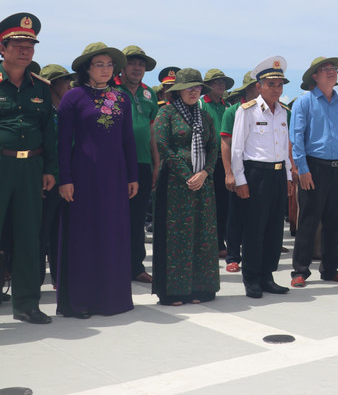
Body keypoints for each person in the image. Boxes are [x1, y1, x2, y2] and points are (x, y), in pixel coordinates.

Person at [57, 42, 138, 318]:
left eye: (109, 64)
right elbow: (63, 142)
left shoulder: (122, 98)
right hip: (83, 176)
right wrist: (65, 178)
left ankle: (112, 299)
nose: (105, 69)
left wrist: (132, 175)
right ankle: (81, 300)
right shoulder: (73, 97)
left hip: (115, 178)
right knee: (85, 236)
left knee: (113, 234)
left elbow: (128, 140)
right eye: (99, 64)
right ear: (86, 68)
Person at [0, 13, 58, 324]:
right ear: (2, 47)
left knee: (28, 235)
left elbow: (50, 131)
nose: (25, 50)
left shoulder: (42, 88)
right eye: (18, 45)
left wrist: (50, 169)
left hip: (32, 167)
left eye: (30, 45)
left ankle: (26, 303)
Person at [152, 69, 219, 306]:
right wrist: (186, 174)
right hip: (175, 183)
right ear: (178, 91)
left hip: (203, 182)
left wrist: (204, 173)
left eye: (197, 87)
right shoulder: (166, 113)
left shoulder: (204, 115)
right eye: (189, 87)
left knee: (202, 234)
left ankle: (201, 288)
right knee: (176, 237)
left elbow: (213, 147)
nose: (194, 91)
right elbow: (163, 146)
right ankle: (174, 292)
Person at [231, 56, 294, 299]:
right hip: (256, 174)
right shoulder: (246, 111)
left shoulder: (282, 112)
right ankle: (252, 277)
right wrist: (240, 180)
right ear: (259, 86)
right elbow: (237, 148)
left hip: (278, 174)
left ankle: (268, 275)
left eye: (280, 85)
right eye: (271, 84)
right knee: (255, 229)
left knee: (274, 229)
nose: (276, 89)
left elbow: (284, 147)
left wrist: (288, 176)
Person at [290, 56, 338, 287]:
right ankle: (300, 270)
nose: (331, 72)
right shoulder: (304, 102)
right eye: (326, 69)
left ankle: (329, 269)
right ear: (315, 76)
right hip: (313, 167)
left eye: (334, 68)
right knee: (308, 220)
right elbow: (296, 138)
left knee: (333, 221)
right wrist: (303, 169)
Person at [116, 45, 160, 285]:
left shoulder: (149, 94)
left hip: (143, 163)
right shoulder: (111, 90)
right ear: (123, 66)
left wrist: (156, 163)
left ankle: (136, 267)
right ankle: (114, 264)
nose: (137, 68)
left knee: (138, 217)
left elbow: (151, 130)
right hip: (116, 163)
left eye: (141, 64)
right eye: (132, 62)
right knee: (115, 215)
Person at [38, 63, 72, 286]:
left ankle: (61, 279)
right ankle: (35, 281)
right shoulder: (42, 113)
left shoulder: (67, 113)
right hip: (47, 181)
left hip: (67, 180)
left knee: (62, 233)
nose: (69, 86)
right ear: (52, 86)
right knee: (41, 233)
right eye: (64, 81)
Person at [220, 72, 256, 273]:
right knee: (235, 215)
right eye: (252, 87)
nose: (256, 91)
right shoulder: (233, 111)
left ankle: (254, 256)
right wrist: (229, 173)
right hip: (238, 167)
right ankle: (233, 256)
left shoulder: (267, 111)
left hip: (259, 170)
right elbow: (226, 143)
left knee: (256, 216)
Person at [200, 68, 234, 258]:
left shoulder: (227, 106)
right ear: (208, 85)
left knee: (224, 205)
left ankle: (220, 242)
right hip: (206, 161)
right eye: (216, 82)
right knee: (207, 205)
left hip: (225, 161)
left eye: (223, 82)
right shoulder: (200, 104)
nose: (221, 85)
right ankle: (206, 242)